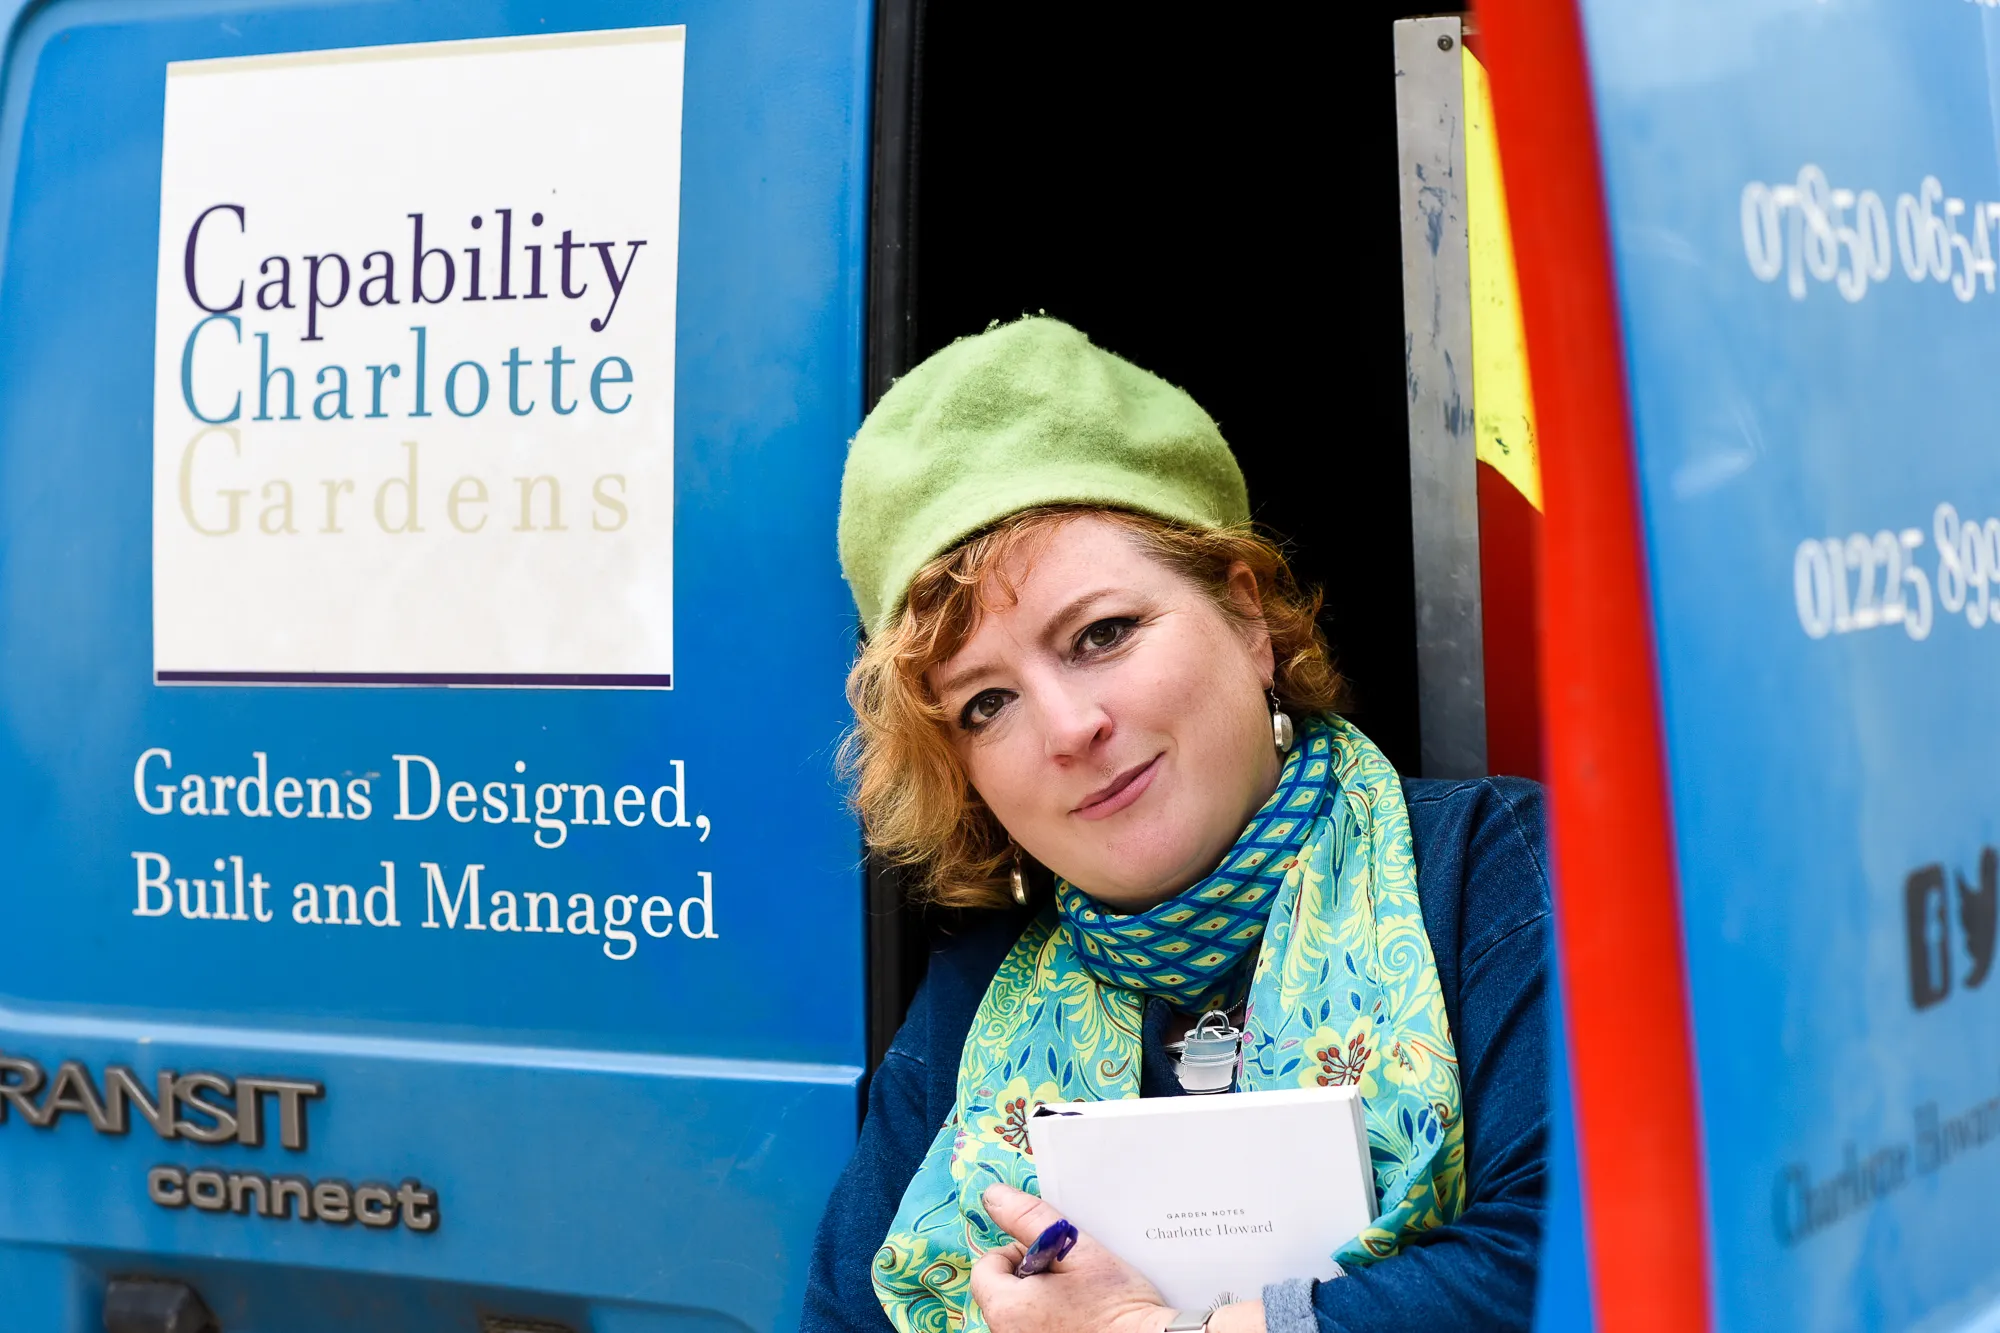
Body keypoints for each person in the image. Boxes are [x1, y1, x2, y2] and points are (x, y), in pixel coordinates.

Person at [802, 318, 1551, 1333]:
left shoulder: (1489, 874)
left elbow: (1567, 1264)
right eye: (985, 702)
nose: (1068, 728)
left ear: (1246, 617)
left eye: (1101, 634)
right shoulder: (973, 1003)